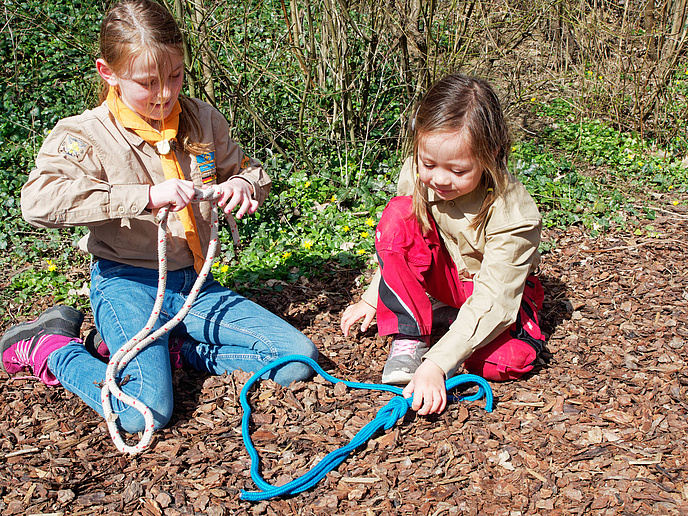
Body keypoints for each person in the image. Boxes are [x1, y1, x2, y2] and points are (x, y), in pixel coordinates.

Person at [1, 0, 317, 435]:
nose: (166, 93)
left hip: (196, 286)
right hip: (127, 283)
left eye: (175, 75)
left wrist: (244, 185)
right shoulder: (83, 134)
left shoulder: (201, 118)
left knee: (295, 360)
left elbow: (247, 170)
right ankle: (50, 347)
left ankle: (174, 347)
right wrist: (144, 196)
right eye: (148, 82)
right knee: (143, 413)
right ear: (107, 72)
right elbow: (38, 201)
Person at [341, 74, 545, 416]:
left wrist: (436, 365)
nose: (439, 179)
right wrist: (371, 297)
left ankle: (449, 324)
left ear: (490, 156)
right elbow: (401, 242)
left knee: (510, 361)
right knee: (398, 214)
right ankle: (411, 332)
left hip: (489, 291)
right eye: (429, 163)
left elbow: (495, 299)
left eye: (458, 169)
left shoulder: (513, 212)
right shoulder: (419, 174)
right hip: (444, 278)